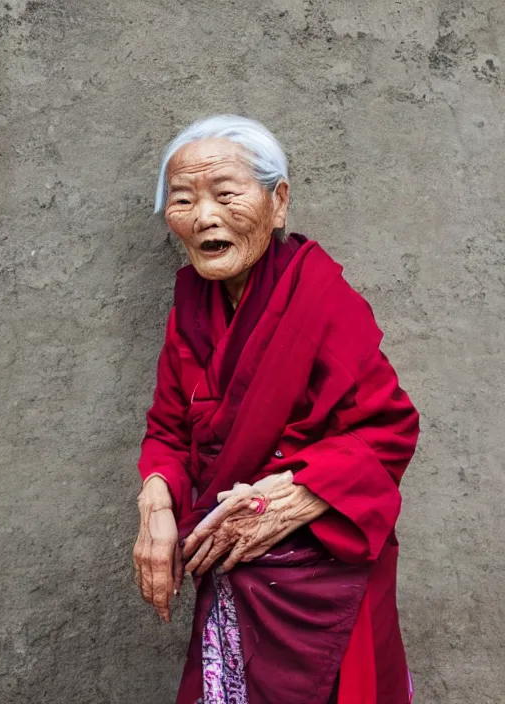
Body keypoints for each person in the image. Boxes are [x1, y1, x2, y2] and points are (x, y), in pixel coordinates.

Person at [133, 115, 420, 704]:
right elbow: (168, 426)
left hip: (318, 578)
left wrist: (301, 491)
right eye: (183, 198)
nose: (204, 216)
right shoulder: (191, 304)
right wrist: (156, 503)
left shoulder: (319, 298)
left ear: (278, 201)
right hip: (234, 574)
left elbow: (389, 429)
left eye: (226, 193)